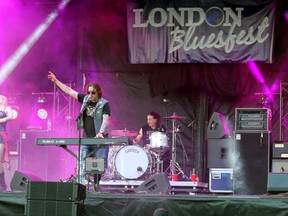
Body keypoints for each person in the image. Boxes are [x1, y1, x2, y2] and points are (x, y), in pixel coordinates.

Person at [48, 71, 110, 188]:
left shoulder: (104, 104)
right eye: (89, 92)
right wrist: (56, 81)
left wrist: (101, 133)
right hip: (86, 139)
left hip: (100, 139)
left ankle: (96, 186)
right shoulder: (85, 99)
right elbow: (69, 90)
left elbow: (105, 120)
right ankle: (82, 187)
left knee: (98, 165)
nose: (90, 94)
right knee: (81, 162)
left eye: (93, 92)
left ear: (98, 93)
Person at [0, 95, 13, 191]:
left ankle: (2, 185)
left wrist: (1, 120)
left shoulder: (7, 108)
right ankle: (2, 185)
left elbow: (11, 117)